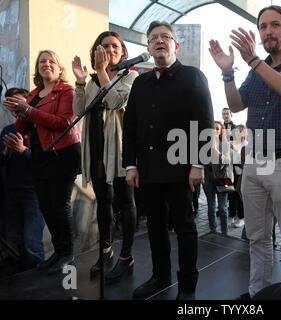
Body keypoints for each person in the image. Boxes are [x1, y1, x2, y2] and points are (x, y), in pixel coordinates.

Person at [209, 5, 281, 299]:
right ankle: (258, 295)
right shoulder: (257, 70)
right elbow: (235, 105)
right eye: (263, 27)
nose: (267, 31)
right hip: (256, 163)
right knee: (257, 239)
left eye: (274, 25)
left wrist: (254, 61)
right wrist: (227, 73)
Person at [123, 21, 214, 300]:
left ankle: (187, 286)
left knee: (185, 227)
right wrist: (130, 164)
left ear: (176, 45)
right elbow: (131, 126)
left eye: (165, 37)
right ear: (148, 48)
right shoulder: (140, 82)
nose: (159, 41)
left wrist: (199, 164)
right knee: (154, 226)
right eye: (153, 38)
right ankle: (159, 276)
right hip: (148, 168)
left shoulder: (193, 76)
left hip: (182, 167)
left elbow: (204, 122)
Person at [3, 50, 81, 275]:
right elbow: (23, 128)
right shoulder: (34, 93)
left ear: (59, 68)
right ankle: (58, 253)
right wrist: (18, 113)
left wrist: (29, 110)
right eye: (42, 62)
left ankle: (68, 255)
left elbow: (64, 122)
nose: (46, 64)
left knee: (59, 206)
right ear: (38, 68)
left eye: (51, 61)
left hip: (62, 154)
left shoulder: (65, 90)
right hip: (40, 155)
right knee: (46, 207)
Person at [72, 31, 138, 282]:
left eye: (114, 46)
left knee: (125, 202)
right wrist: (80, 81)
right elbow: (78, 111)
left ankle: (126, 255)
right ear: (96, 50)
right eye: (104, 46)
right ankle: (106, 250)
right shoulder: (91, 81)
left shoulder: (131, 76)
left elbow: (115, 102)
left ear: (122, 51)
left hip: (120, 150)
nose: (109, 50)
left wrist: (101, 72)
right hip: (96, 149)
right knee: (104, 201)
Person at [0, 88, 45, 271]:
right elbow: (1, 160)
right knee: (16, 239)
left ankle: (37, 285)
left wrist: (23, 150)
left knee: (32, 242)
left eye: (18, 102)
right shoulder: (7, 130)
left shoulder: (39, 127)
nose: (15, 106)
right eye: (11, 103)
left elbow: (47, 159)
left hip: (34, 192)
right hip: (12, 192)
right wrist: (7, 152)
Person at [203, 121, 231, 235]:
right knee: (211, 205)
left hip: (221, 177)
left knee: (223, 208)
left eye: (217, 128)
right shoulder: (204, 144)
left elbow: (227, 161)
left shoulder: (225, 144)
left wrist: (215, 150)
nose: (214, 130)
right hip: (208, 176)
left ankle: (225, 232)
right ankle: (212, 230)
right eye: (212, 128)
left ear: (220, 131)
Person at [228, 124, 247, 227]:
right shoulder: (232, 142)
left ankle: (241, 218)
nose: (237, 133)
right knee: (231, 195)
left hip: (241, 174)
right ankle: (231, 216)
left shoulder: (246, 144)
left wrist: (234, 149)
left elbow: (243, 160)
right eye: (235, 132)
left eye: (239, 131)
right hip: (231, 173)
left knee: (239, 196)